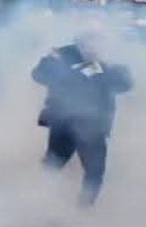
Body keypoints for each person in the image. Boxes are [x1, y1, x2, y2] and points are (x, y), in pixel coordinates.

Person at [32, 32, 132, 206]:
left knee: (95, 172)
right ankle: (40, 203)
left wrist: (100, 69)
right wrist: (60, 67)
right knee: (52, 166)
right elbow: (38, 75)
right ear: (78, 44)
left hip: (94, 126)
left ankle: (84, 209)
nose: (91, 48)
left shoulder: (108, 61)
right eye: (86, 44)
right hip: (64, 122)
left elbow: (125, 84)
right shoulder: (61, 56)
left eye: (95, 44)